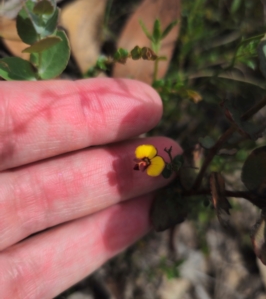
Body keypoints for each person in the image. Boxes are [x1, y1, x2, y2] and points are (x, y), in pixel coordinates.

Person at [0, 77, 181, 298]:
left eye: (144, 164)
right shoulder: (146, 160)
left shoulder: (153, 163)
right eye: (143, 163)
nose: (142, 164)